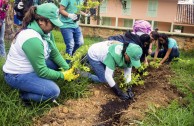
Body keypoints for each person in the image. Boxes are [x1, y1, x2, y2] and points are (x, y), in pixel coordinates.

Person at [3, 3, 76, 103]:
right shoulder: (32, 38)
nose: (54, 27)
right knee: (53, 92)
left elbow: (54, 53)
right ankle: (23, 95)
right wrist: (63, 75)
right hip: (17, 75)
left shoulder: (46, 32)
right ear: (41, 21)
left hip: (31, 68)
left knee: (57, 64)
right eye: (53, 24)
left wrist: (68, 69)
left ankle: (35, 85)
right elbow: (42, 71)